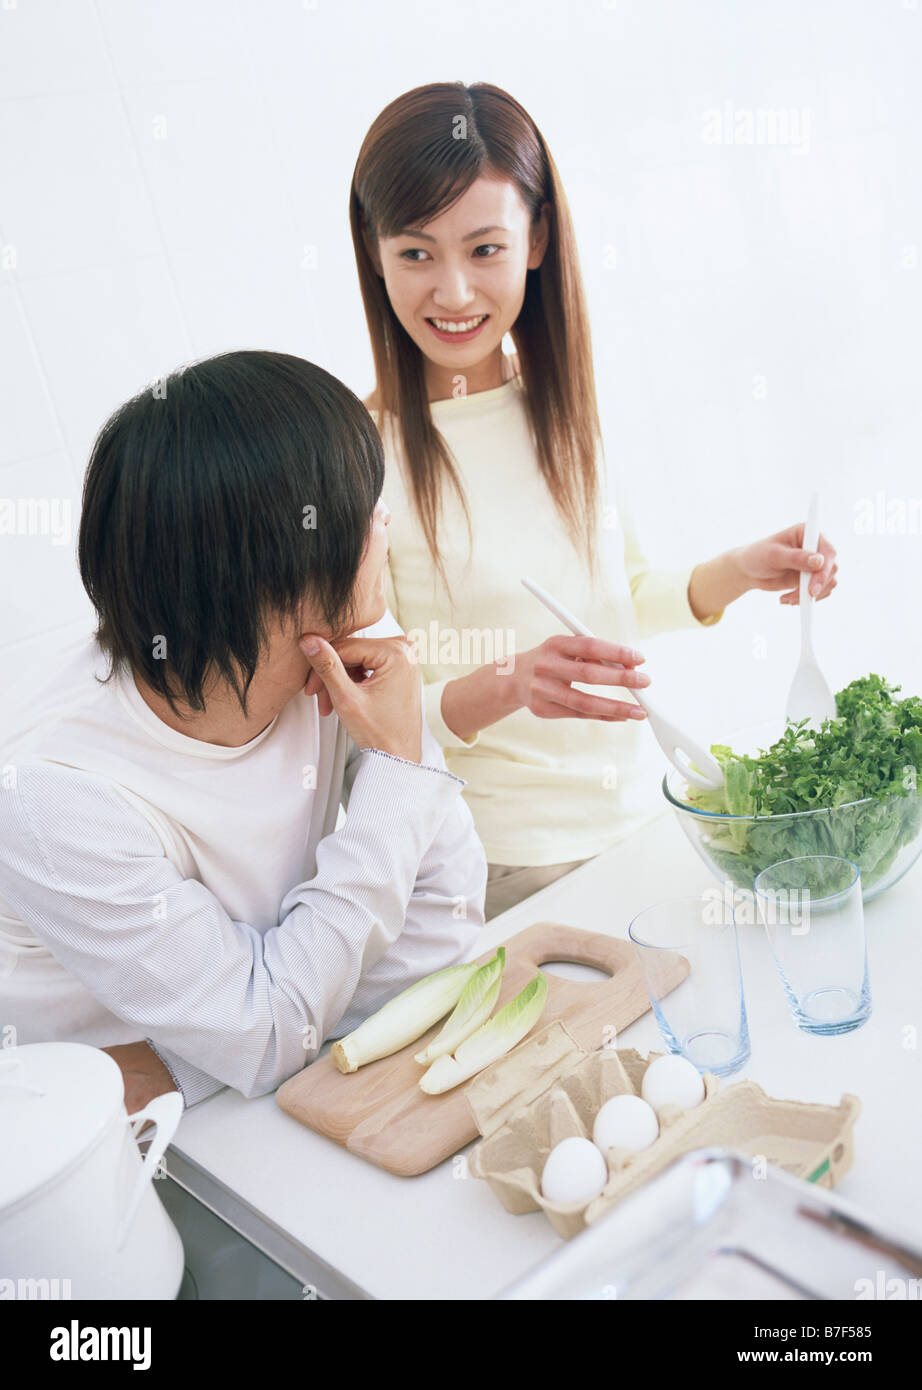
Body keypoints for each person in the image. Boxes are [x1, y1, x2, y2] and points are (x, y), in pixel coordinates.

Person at [350, 82, 838, 918]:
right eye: (417, 254)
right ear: (374, 253)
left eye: (486, 250)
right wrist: (511, 680)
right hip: (496, 870)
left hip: (638, 823)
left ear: (536, 240)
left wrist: (739, 572)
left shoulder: (563, 408)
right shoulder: (359, 461)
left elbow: (621, 597)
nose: (456, 293)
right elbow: (371, 723)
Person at [0, 350, 486, 1113]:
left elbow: (444, 924)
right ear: (279, 576)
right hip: (130, 1161)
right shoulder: (51, 795)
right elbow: (264, 1034)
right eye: (367, 510)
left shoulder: (333, 651)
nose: (384, 527)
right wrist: (399, 773)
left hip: (261, 1101)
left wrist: (230, 1050)